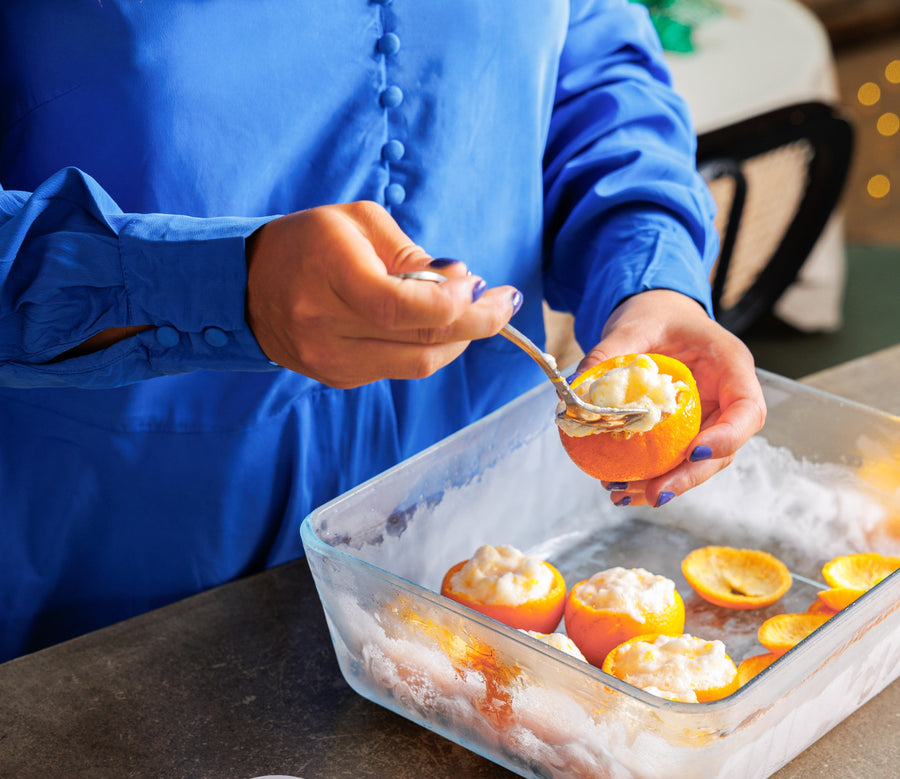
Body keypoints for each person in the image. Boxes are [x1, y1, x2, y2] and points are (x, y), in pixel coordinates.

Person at [0, 0, 765, 662]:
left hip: (485, 533)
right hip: (113, 579)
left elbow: (588, 64)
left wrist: (650, 273)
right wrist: (216, 284)